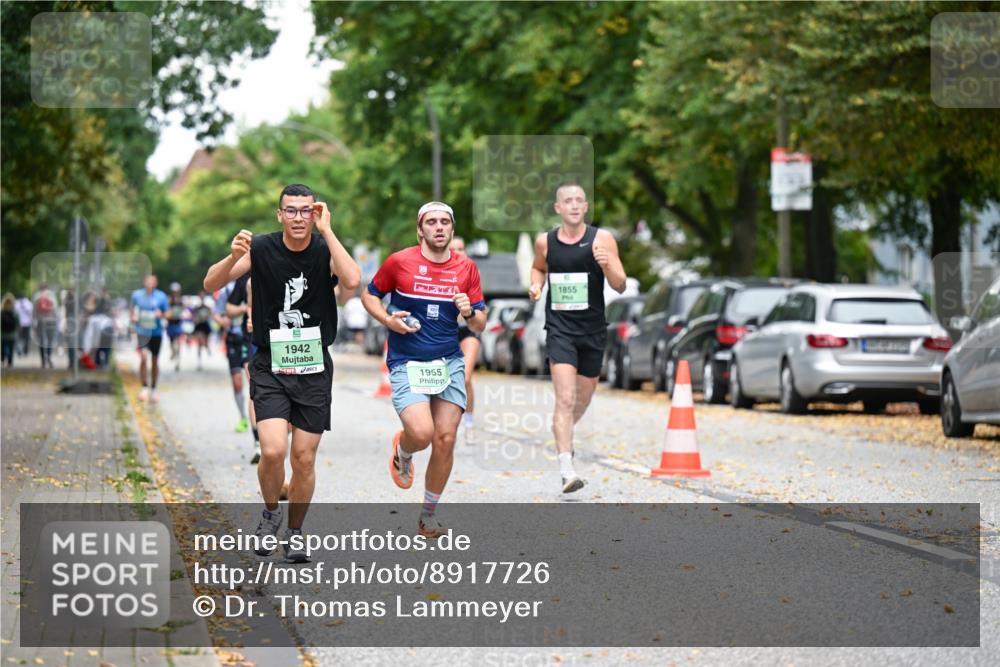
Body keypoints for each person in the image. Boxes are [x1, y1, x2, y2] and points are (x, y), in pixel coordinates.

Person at [203, 183, 360, 562]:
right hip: (270, 362)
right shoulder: (261, 248)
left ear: (315, 213)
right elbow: (211, 284)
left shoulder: (324, 249)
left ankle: (295, 533)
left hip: (314, 365)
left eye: (306, 210)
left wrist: (329, 231)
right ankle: (271, 513)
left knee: (304, 458)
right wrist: (232, 257)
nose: (298, 218)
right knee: (273, 451)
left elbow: (353, 282)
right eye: (291, 210)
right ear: (280, 214)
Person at [362, 202, 486, 538]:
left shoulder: (466, 268)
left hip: (448, 361)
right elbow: (369, 295)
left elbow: (482, 322)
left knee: (445, 438)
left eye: (445, 222)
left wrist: (469, 313)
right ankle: (403, 451)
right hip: (407, 360)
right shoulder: (399, 262)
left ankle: (427, 516)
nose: (439, 227)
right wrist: (387, 320)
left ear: (452, 229)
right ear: (420, 229)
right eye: (431, 222)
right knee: (421, 433)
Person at [528, 184, 626, 493]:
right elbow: (537, 268)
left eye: (578, 201)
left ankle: (563, 432)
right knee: (566, 399)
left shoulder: (603, 239)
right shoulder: (545, 242)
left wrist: (607, 263)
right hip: (560, 330)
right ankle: (566, 467)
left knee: (580, 402)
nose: (573, 205)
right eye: (567, 201)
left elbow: (620, 285)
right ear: (557, 208)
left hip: (593, 331)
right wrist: (535, 285)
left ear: (586, 207)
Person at [449, 236, 481, 442]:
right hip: (446, 332)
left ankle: (469, 423)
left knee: (465, 377)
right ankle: (448, 423)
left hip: (468, 330)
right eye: (454, 249)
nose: (458, 252)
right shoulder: (437, 272)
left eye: (462, 248)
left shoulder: (471, 273)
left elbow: (480, 307)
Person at [215, 276, 251, 433]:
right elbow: (217, 312)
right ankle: (243, 416)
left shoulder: (251, 282)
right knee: (237, 382)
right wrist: (222, 321)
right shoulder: (227, 290)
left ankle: (258, 421)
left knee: (253, 380)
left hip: (248, 339)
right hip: (233, 339)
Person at [131, 274, 169, 401]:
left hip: (156, 333)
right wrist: (133, 318)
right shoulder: (137, 295)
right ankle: (144, 388)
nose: (150, 283)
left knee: (154, 360)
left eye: (152, 281)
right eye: (148, 280)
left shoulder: (161, 296)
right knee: (143, 358)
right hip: (142, 332)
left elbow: (168, 314)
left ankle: (153, 389)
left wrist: (161, 314)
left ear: (156, 283)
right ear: (144, 282)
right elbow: (132, 311)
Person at [33, 284, 58, 369]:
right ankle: (49, 357)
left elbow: (34, 311)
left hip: (40, 321)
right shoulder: (52, 296)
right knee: (50, 341)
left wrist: (34, 320)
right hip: (51, 321)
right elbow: (55, 310)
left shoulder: (37, 296)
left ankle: (43, 361)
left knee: (41, 341)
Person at [165, 283, 186, 372]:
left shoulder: (181, 301)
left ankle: (178, 362)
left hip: (178, 324)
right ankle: (173, 352)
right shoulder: (169, 300)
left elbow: (184, 310)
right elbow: (166, 311)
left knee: (178, 344)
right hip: (170, 324)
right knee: (171, 342)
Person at [191, 291, 213, 370]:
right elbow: (193, 316)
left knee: (205, 342)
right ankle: (199, 362)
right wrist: (196, 319)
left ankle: (207, 348)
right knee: (200, 343)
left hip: (205, 326)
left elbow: (211, 315)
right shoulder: (197, 307)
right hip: (199, 326)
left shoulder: (207, 307)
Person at [1, 294, 18, 368]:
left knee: (3, 347)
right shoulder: (14, 312)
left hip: (3, 333)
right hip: (12, 333)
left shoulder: (2, 312)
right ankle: (10, 362)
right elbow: (17, 322)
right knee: (11, 348)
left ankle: (3, 358)